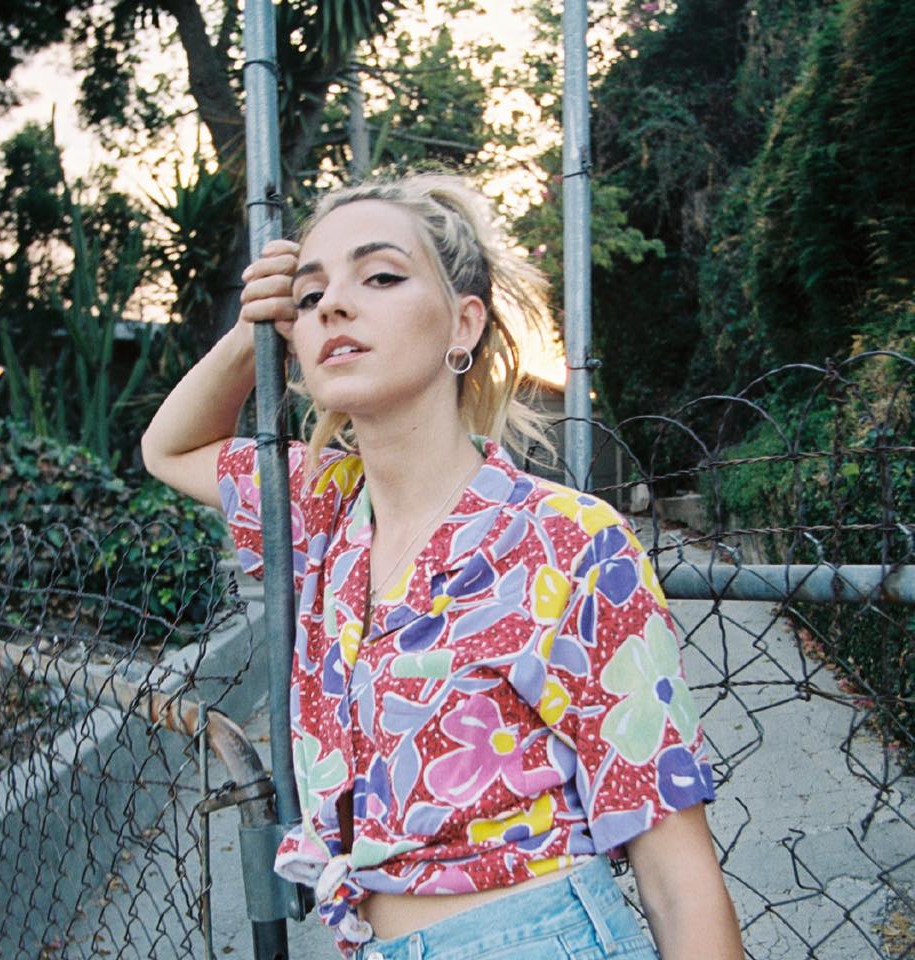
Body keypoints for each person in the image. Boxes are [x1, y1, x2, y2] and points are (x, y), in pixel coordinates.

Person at [141, 174, 743, 960]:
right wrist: (251, 333)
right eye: (310, 296)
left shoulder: (567, 540)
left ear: (463, 323)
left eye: (381, 276)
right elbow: (168, 449)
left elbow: (676, 876)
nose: (333, 305)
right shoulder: (321, 510)